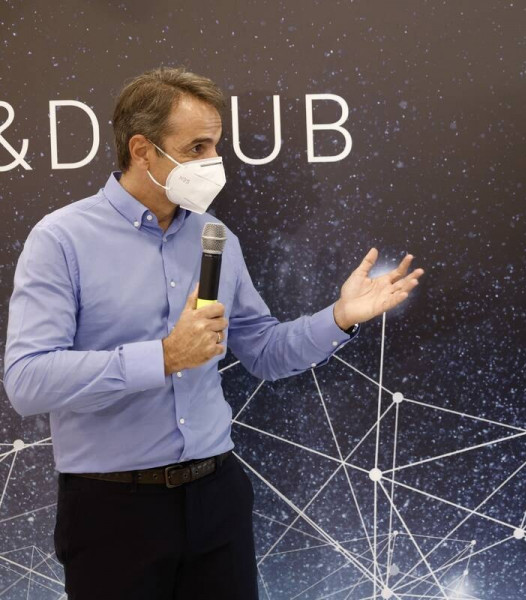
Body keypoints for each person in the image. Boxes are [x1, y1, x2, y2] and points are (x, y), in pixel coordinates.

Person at [3, 67, 424, 600]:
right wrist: (162, 356)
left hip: (216, 499)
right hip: (113, 512)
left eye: (215, 146)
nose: (213, 163)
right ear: (142, 150)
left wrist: (340, 316)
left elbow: (264, 352)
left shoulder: (214, 236)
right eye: (197, 147)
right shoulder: (62, 239)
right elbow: (27, 381)